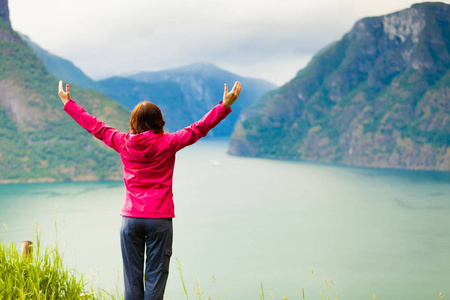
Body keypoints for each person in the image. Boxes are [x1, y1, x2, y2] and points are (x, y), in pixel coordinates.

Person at [57, 80, 241, 300]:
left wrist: (69, 104)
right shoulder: (168, 142)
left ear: (133, 122)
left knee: (131, 279)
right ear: (159, 121)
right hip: (159, 220)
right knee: (156, 278)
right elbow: (198, 129)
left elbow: (95, 126)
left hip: (130, 219)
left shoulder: (122, 142)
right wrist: (224, 106)